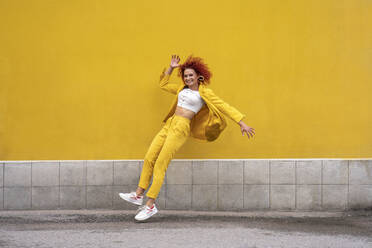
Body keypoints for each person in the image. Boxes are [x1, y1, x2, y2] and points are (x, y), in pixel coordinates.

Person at [119, 55, 255, 221]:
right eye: (185, 75)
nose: (188, 78)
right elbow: (162, 84)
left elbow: (224, 106)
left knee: (160, 164)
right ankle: (138, 195)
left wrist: (241, 123)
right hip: (169, 124)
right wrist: (171, 67)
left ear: (198, 76)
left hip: (181, 127)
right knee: (149, 157)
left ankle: (150, 205)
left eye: (191, 75)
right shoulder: (181, 89)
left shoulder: (205, 93)